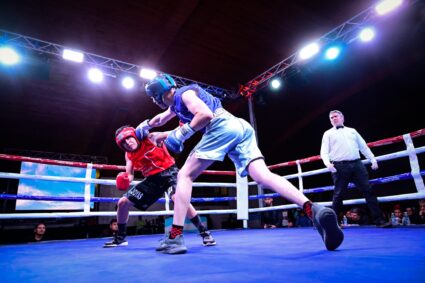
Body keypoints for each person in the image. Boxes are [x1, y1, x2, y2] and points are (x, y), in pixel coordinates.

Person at [141, 74, 343, 254]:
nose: (153, 100)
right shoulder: (177, 104)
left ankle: (175, 236)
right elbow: (162, 118)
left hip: (220, 126)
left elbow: (205, 116)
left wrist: (181, 134)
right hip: (239, 127)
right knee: (262, 176)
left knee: (184, 176)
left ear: (157, 94)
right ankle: (313, 208)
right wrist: (148, 127)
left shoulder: (185, 94)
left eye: (152, 97)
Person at [103, 125, 216, 248]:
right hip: (151, 181)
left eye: (129, 138)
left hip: (170, 174)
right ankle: (120, 237)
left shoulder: (151, 138)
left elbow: (173, 133)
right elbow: (130, 175)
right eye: (123, 143)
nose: (128, 143)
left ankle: (204, 232)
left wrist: (184, 127)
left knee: (178, 198)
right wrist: (124, 178)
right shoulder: (128, 155)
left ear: (135, 136)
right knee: (123, 202)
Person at [320, 110, 391, 228]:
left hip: (357, 164)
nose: (333, 119)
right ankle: (335, 223)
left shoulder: (352, 131)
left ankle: (379, 220)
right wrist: (327, 163)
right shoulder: (327, 134)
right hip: (339, 166)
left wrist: (372, 159)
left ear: (342, 117)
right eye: (331, 118)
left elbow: (363, 146)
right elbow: (324, 151)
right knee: (338, 194)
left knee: (369, 190)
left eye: (335, 116)